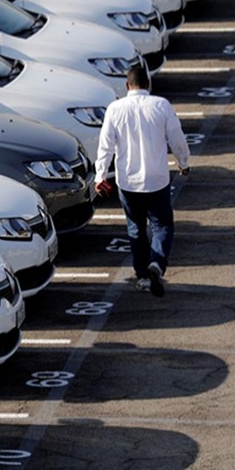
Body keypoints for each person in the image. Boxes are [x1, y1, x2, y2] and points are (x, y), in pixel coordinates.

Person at [94, 64, 190, 297]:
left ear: (127, 86)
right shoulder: (161, 105)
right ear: (148, 84)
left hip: (128, 181)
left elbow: (105, 146)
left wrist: (100, 175)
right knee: (162, 225)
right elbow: (176, 137)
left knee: (135, 227)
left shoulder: (114, 109)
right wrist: (183, 161)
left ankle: (142, 275)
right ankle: (156, 264)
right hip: (157, 179)